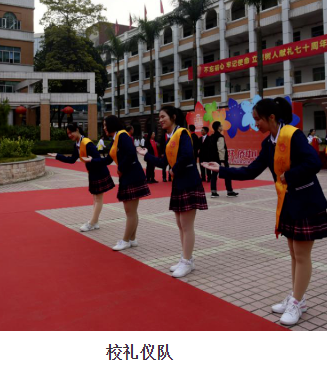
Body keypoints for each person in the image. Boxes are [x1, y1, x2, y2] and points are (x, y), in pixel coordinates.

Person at [202, 97, 327, 326]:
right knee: (294, 254)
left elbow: (314, 162)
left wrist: (289, 176)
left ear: (271, 117)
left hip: (306, 201)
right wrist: (221, 170)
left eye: (257, 120)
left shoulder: (293, 135)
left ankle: (297, 301)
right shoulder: (269, 143)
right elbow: (251, 171)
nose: (255, 125)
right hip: (288, 203)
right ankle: (297, 298)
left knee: (302, 255)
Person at [137, 106, 208, 278]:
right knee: (180, 224)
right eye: (159, 117)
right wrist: (146, 155)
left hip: (188, 182)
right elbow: (163, 163)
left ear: (173, 117)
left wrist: (174, 169)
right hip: (179, 184)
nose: (160, 120)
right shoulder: (170, 138)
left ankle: (187, 261)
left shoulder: (182, 133)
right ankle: (186, 258)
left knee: (186, 225)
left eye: (163, 116)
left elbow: (187, 155)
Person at [83, 115, 151, 250]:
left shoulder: (122, 135)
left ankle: (125, 240)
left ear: (112, 125)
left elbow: (131, 153)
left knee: (130, 212)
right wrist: (92, 160)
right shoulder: (115, 139)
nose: (104, 128)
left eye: (105, 125)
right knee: (132, 211)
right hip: (129, 176)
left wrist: (121, 168)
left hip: (132, 176)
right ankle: (132, 239)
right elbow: (108, 160)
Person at [46, 124, 115, 232]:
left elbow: (97, 158)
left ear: (77, 130)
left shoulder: (87, 143)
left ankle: (91, 223)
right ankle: (95, 222)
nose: (69, 135)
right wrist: (57, 156)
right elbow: (72, 160)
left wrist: (91, 161)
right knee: (95, 198)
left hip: (99, 171)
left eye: (71, 132)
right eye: (68, 133)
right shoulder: (77, 145)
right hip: (92, 172)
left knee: (98, 199)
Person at [209, 121, 238, 198]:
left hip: (214, 159)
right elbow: (221, 149)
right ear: (218, 127)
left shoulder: (212, 136)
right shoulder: (220, 136)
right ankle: (229, 191)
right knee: (227, 174)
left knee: (214, 175)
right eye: (221, 125)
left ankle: (213, 192)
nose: (222, 126)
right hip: (221, 160)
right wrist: (222, 161)